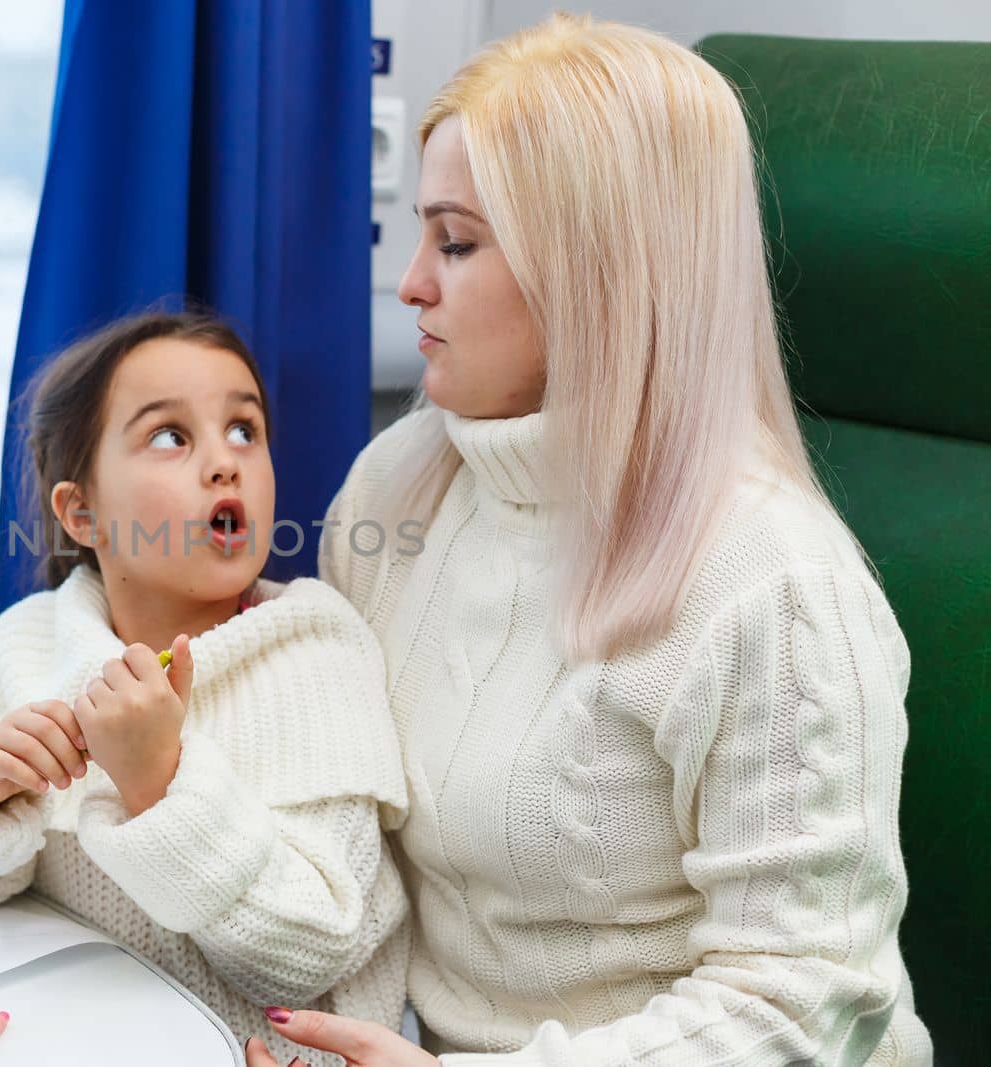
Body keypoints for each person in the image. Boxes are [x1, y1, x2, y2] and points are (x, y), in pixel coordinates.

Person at [247, 13, 930, 1066]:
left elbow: (799, 1008)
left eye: (457, 241)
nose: (410, 283)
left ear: (598, 269)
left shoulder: (774, 587)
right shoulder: (402, 483)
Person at [0, 311, 410, 1066]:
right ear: (82, 511)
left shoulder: (317, 652)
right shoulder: (31, 643)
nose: (224, 461)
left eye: (244, 429)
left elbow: (310, 947)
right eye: (171, 437)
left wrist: (159, 782)